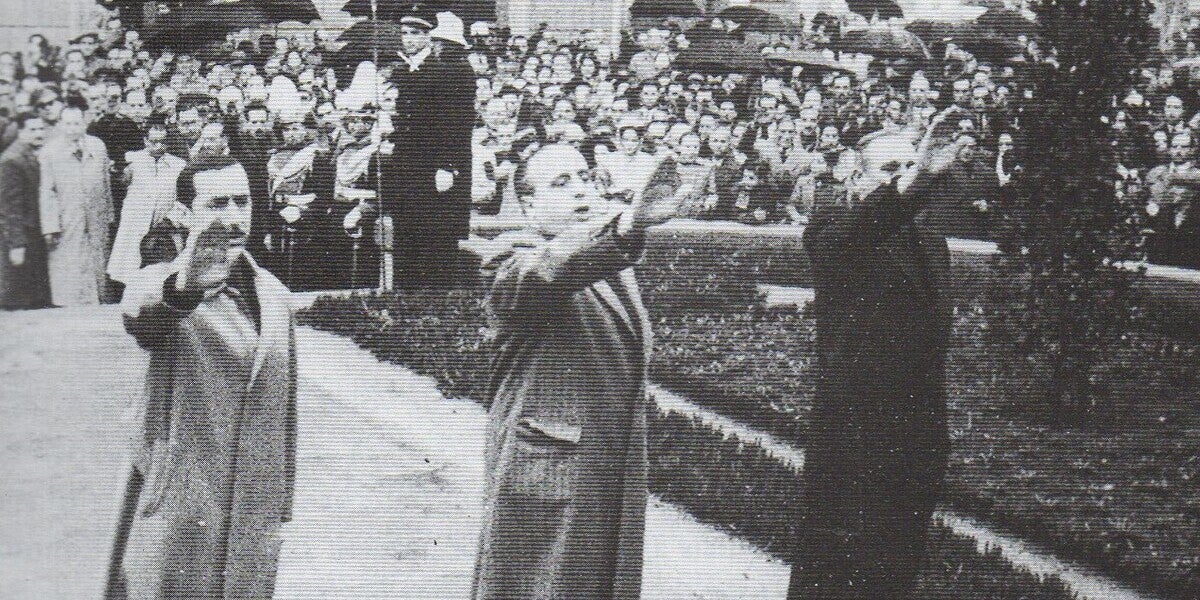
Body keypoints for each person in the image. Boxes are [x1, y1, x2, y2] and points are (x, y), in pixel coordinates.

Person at [473, 143, 682, 600]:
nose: (580, 190)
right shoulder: (511, 255)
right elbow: (547, 273)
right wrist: (625, 226)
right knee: (533, 583)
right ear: (528, 204)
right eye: (560, 183)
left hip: (605, 460)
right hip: (550, 459)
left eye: (585, 177)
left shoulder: (612, 267)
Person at [789, 110, 972, 599]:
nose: (904, 177)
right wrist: (917, 181)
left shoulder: (928, 236)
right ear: (855, 172)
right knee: (835, 561)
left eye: (909, 165)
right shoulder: (832, 225)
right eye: (889, 169)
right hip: (854, 428)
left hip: (916, 427)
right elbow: (865, 228)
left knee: (898, 559)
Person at [107, 154, 297, 600]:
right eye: (217, 204)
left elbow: (286, 407)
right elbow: (142, 316)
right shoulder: (163, 281)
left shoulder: (272, 292)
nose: (233, 217)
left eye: (242, 202)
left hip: (253, 496)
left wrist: (281, 495)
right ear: (185, 214)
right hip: (183, 493)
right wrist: (184, 288)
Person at [383, 3, 475, 288]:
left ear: (429, 36)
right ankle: (404, 299)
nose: (408, 39)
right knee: (406, 235)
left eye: (415, 33)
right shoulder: (406, 70)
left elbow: (458, 122)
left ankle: (438, 303)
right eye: (404, 33)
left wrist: (448, 166)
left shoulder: (449, 70)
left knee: (437, 238)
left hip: (435, 168)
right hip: (407, 166)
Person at [38, 105, 114, 306]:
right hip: (67, 216)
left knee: (97, 259)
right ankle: (69, 307)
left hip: (96, 216)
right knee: (69, 262)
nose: (72, 129)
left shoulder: (97, 146)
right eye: (68, 124)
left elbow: (105, 183)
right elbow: (47, 191)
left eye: (77, 123)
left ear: (85, 123)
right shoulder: (49, 152)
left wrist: (109, 216)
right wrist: (50, 226)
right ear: (60, 125)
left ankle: (99, 302)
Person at [106, 117, 186, 285]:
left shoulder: (178, 165)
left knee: (163, 273)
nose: (157, 146)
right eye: (153, 141)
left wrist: (170, 220)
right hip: (136, 224)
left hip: (164, 227)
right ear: (145, 140)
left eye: (162, 142)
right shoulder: (133, 161)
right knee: (129, 268)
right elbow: (120, 185)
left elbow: (182, 198)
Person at [0, 113, 52, 309]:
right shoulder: (11, 160)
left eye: (41, 129)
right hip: (23, 238)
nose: (39, 133)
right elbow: (9, 208)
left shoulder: (35, 153)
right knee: (21, 301)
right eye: (33, 129)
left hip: (35, 235)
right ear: (21, 131)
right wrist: (16, 244)